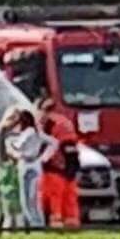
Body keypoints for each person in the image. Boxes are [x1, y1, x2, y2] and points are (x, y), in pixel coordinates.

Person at [36, 95, 83, 228]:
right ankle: (70, 223)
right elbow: (71, 146)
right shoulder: (64, 122)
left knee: (54, 198)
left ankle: (56, 223)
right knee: (69, 198)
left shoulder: (51, 122)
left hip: (54, 167)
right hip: (67, 166)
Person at [4, 110, 47, 228]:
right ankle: (38, 223)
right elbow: (52, 142)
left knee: (26, 197)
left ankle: (33, 223)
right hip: (35, 165)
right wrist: (43, 156)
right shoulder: (37, 132)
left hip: (25, 165)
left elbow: (15, 147)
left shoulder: (26, 133)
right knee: (34, 197)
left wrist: (13, 149)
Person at [0, 106, 27, 228]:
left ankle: (9, 226)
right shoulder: (1, 132)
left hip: (4, 168)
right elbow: (1, 152)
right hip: (6, 169)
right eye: (15, 120)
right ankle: (15, 228)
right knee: (12, 204)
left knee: (8, 204)